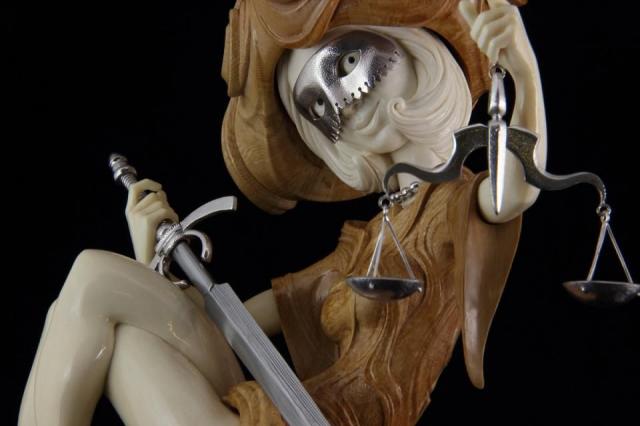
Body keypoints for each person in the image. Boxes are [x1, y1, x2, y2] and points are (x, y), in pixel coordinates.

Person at [18, 1, 546, 425]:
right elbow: (219, 327)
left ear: (411, 47)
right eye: (317, 104)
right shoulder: (365, 246)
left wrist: (523, 68)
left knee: (93, 274)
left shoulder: (456, 203)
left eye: (346, 62)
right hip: (285, 408)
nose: (342, 104)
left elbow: (515, 191)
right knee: (123, 332)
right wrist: (150, 256)